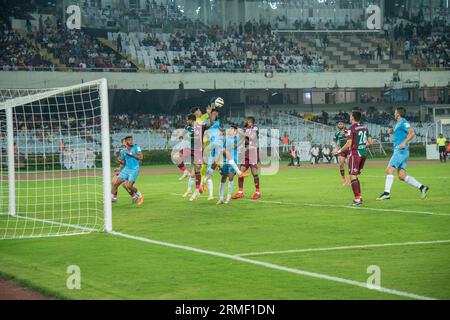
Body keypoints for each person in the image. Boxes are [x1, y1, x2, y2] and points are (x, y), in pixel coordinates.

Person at [377, 107, 429, 201]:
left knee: (389, 170)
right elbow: (401, 134)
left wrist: (404, 142)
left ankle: (386, 193)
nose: (394, 113)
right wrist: (393, 132)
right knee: (402, 176)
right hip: (403, 152)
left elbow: (412, 133)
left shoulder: (404, 122)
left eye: (395, 112)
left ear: (398, 114)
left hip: (400, 151)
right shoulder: (398, 124)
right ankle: (422, 187)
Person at [333, 110, 373, 206]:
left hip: (355, 154)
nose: (349, 118)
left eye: (350, 116)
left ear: (353, 117)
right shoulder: (364, 128)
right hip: (363, 154)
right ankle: (360, 197)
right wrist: (362, 146)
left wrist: (338, 151)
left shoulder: (352, 129)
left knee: (352, 176)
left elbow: (348, 144)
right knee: (355, 175)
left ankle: (357, 199)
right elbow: (370, 142)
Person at [232, 116, 261, 200]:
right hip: (246, 153)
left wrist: (243, 132)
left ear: (251, 121)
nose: (246, 122)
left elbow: (252, 137)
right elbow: (243, 140)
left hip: (253, 152)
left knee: (254, 173)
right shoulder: (245, 129)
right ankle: (240, 192)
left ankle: (257, 192)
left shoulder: (255, 128)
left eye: (247, 121)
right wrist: (236, 145)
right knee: (241, 172)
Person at [111, 136, 144, 206]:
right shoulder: (123, 151)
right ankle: (111, 198)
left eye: (132, 140)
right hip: (126, 169)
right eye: (129, 140)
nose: (131, 141)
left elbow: (141, 157)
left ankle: (140, 195)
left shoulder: (136, 147)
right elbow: (122, 161)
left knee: (129, 186)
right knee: (115, 183)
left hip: (134, 169)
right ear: (126, 142)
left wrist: (130, 153)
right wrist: (120, 162)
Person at [217, 126, 239, 205]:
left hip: (234, 160)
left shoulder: (236, 138)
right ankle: (221, 198)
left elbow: (235, 146)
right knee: (223, 178)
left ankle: (228, 196)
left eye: (232, 129)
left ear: (235, 131)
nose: (230, 130)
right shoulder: (226, 139)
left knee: (230, 176)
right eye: (229, 129)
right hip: (225, 161)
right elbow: (223, 149)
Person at [335, 120, 351, 186]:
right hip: (342, 150)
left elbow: (350, 140)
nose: (340, 125)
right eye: (339, 124)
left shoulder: (348, 131)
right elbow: (336, 141)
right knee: (341, 164)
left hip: (349, 150)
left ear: (344, 125)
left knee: (350, 165)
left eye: (341, 124)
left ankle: (350, 180)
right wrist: (336, 147)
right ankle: (344, 179)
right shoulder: (337, 133)